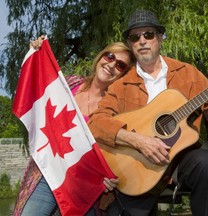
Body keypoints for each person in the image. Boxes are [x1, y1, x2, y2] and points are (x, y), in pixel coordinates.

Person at [88, 9, 208, 216]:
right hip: (138, 167)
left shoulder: (187, 73)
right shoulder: (121, 84)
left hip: (180, 162)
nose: (142, 41)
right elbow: (96, 124)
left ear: (160, 38)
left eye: (149, 34)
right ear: (130, 44)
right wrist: (138, 141)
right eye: (135, 37)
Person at [13, 35, 135, 216]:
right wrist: (36, 54)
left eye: (120, 65)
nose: (111, 65)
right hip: (47, 174)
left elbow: (116, 153)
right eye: (109, 56)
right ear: (101, 57)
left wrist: (111, 177)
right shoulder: (69, 84)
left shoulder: (115, 108)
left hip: (83, 186)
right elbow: (33, 89)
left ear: (123, 75)